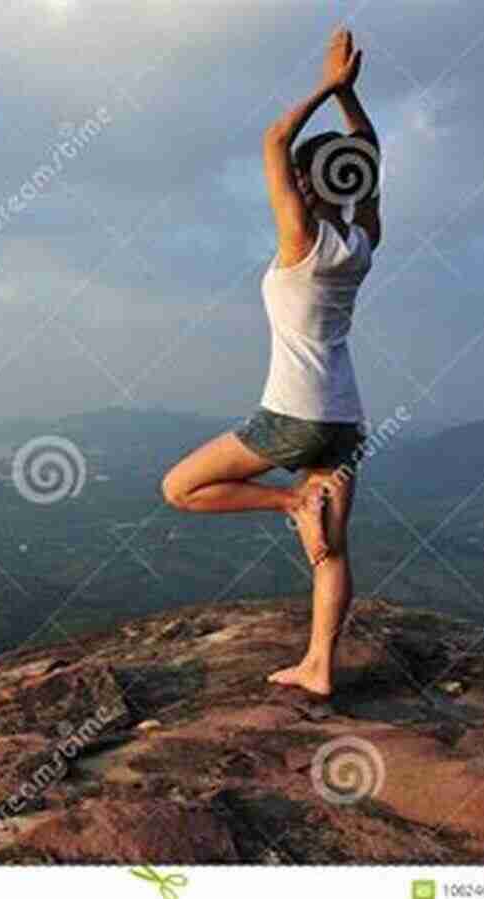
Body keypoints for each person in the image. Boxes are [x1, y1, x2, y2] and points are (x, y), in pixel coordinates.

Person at [161, 27, 381, 700]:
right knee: (332, 551)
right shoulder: (363, 240)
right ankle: (319, 668)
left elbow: (272, 142)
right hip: (345, 417)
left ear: (306, 187)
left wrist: (327, 87)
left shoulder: (302, 239)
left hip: (292, 414)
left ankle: (290, 501)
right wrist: (352, 103)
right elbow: (368, 158)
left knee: (179, 488)